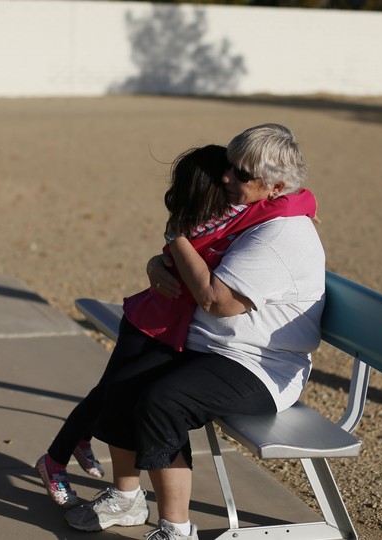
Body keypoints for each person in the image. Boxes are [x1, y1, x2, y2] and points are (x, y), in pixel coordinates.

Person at [64, 124, 326, 540]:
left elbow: (217, 302)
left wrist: (176, 234)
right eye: (230, 167)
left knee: (164, 400)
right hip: (210, 345)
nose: (227, 178)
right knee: (123, 382)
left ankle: (176, 528)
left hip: (260, 364)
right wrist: (159, 262)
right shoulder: (252, 210)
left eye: (241, 174)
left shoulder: (281, 235)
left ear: (275, 185)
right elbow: (197, 260)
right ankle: (128, 498)